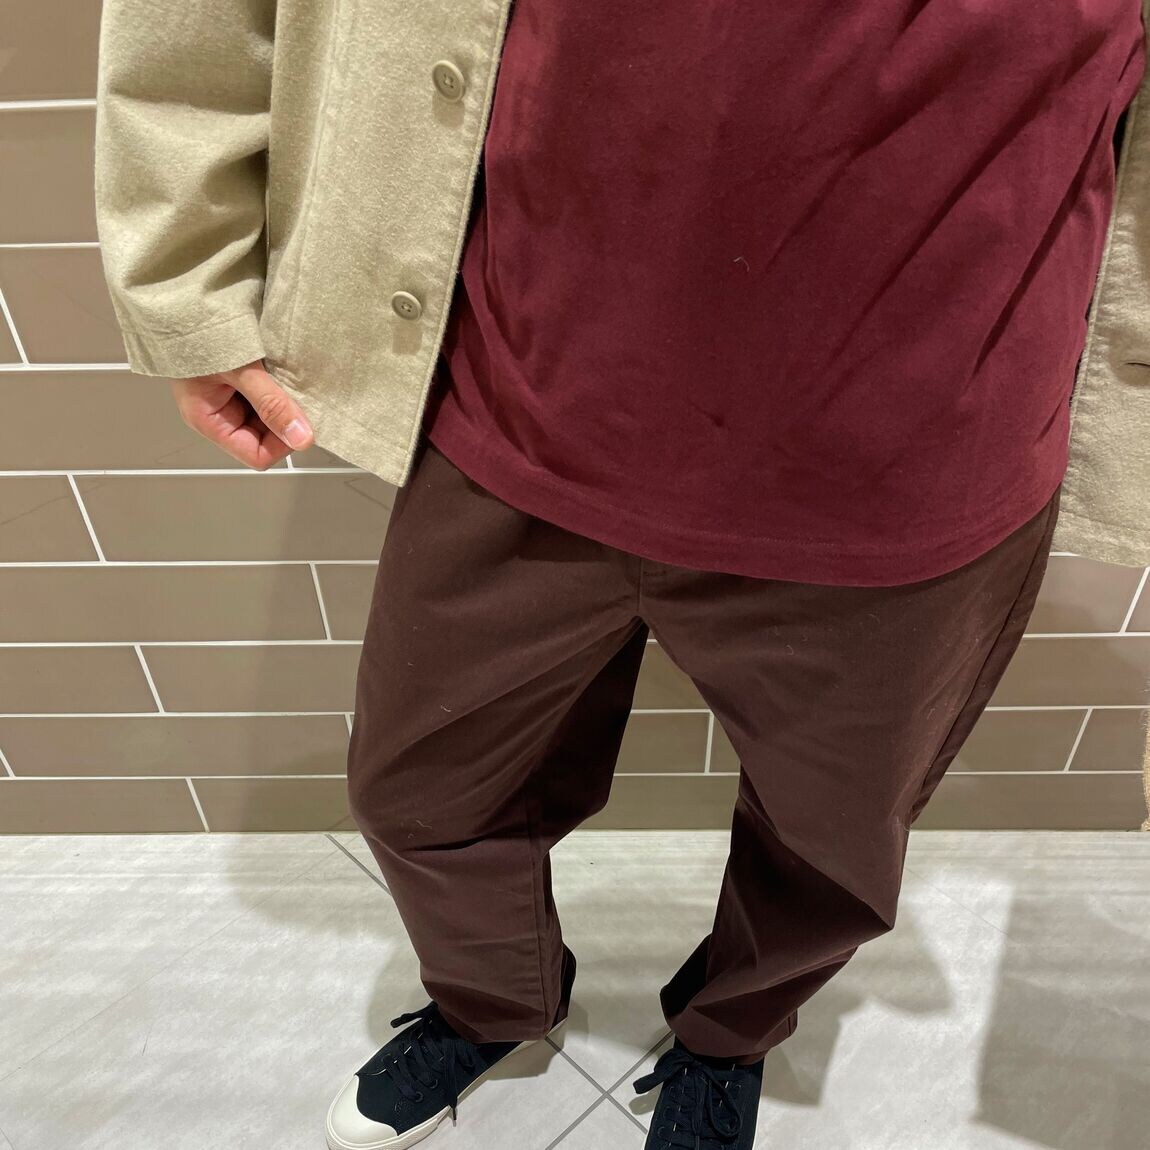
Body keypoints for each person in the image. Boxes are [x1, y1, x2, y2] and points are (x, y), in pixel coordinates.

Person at [94, 2, 1150, 1147]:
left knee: (833, 852)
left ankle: (728, 1035)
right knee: (421, 790)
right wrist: (187, 284)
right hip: (519, 389)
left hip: (927, 451)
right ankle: (494, 998)